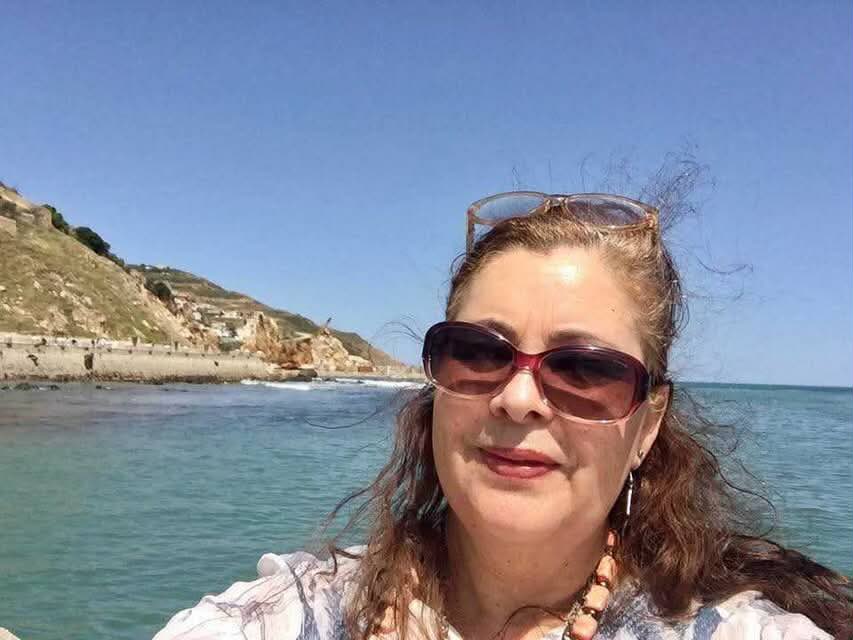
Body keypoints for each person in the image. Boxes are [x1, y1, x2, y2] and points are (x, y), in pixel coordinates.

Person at [153, 191, 852, 640]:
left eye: (584, 369)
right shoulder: (293, 616)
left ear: (646, 425)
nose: (518, 398)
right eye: (478, 353)